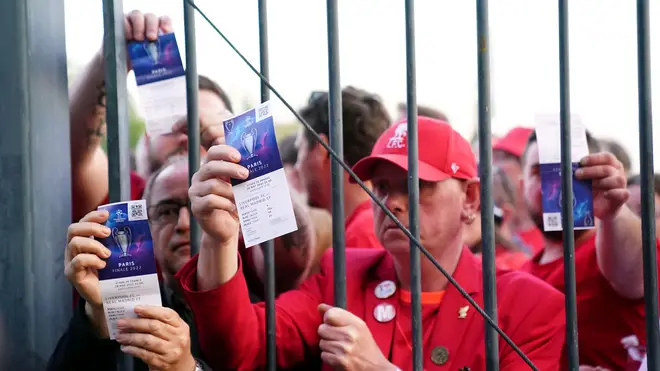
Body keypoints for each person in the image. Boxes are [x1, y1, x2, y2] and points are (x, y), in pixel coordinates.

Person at [176, 117, 566, 371]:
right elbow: (240, 349)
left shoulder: (529, 306)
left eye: (416, 185)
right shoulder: (343, 275)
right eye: (381, 186)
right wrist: (219, 239)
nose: (392, 201)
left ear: (471, 200)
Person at [47, 155, 316, 371]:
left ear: (235, 218)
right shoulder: (124, 309)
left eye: (201, 206)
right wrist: (96, 318)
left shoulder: (263, 313)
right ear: (146, 227)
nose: (184, 225)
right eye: (167, 212)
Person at [69, 10, 232, 222]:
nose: (187, 137)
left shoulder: (248, 206)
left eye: (207, 126)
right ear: (147, 139)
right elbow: (71, 152)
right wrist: (107, 61)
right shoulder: (125, 193)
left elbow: (286, 234)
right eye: (173, 123)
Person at [519, 130, 660, 370]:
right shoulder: (520, 276)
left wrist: (614, 212)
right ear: (522, 185)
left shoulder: (610, 248)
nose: (554, 184)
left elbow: (637, 273)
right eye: (538, 172)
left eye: (569, 172)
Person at [295, 87, 390, 249]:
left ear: (321, 151)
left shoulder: (362, 236)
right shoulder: (373, 225)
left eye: (300, 150)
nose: (297, 167)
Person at [492, 126, 545, 253]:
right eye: (494, 157)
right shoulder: (482, 225)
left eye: (504, 157)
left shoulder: (553, 236)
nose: (494, 165)